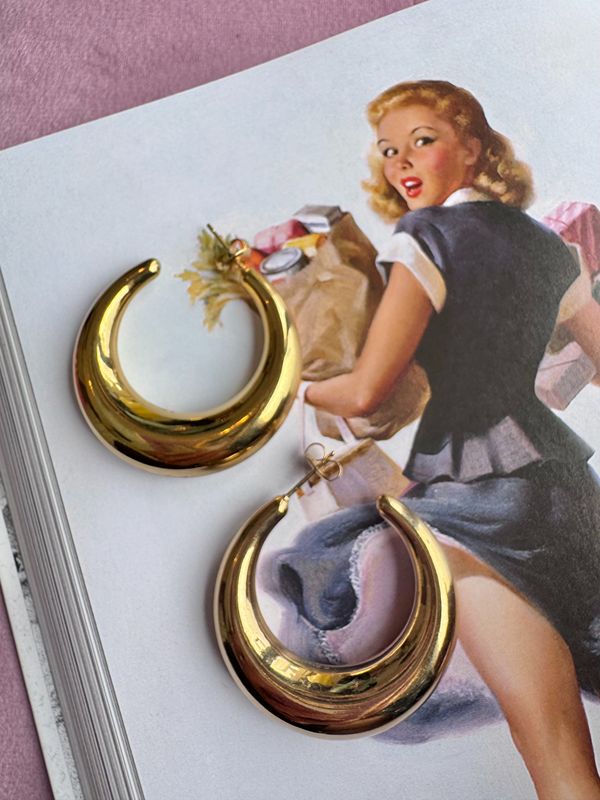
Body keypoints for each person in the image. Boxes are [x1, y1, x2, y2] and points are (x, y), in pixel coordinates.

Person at [300, 80, 600, 799]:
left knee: (557, 756)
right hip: (570, 498)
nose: (401, 162)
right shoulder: (553, 249)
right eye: (388, 150)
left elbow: (366, 392)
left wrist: (298, 390)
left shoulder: (424, 238)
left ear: (473, 147)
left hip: (475, 511)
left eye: (422, 141)